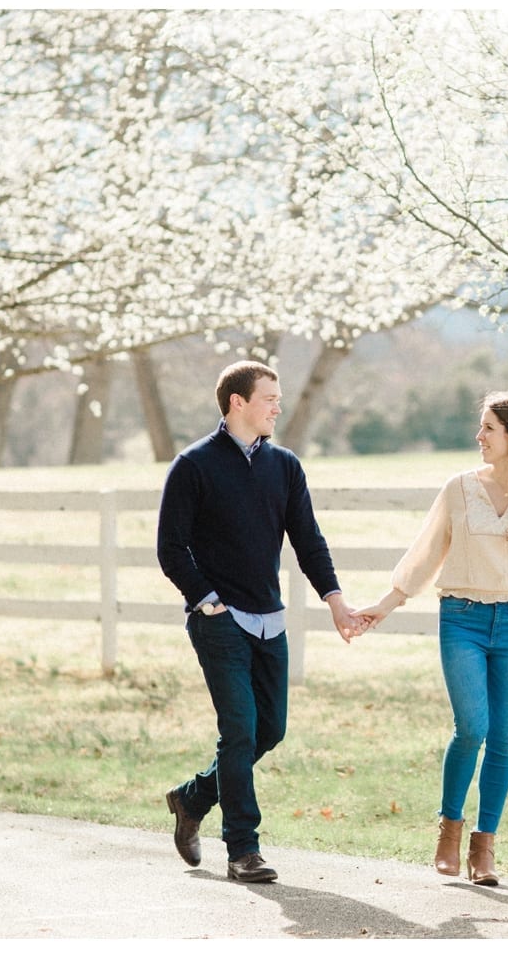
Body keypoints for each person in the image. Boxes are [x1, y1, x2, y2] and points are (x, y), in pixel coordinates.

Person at [157, 360, 366, 884]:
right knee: (239, 732)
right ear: (238, 403)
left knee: (269, 729)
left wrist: (335, 599)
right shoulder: (194, 465)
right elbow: (170, 547)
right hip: (219, 620)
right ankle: (243, 850)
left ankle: (192, 797)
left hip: (270, 620)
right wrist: (206, 600)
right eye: (269, 397)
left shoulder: (285, 466)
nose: (278, 406)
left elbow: (308, 540)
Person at [359, 391, 508, 887]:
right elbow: (426, 553)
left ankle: (485, 848)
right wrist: (385, 605)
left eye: (489, 428)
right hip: (462, 620)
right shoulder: (458, 488)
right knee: (472, 726)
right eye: (481, 427)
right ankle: (448, 832)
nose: (479, 437)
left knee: (504, 738)